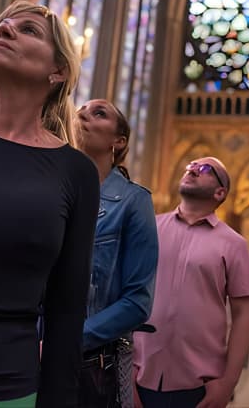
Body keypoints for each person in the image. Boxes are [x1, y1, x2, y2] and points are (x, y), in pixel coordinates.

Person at [0, 0, 99, 406]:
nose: (3, 30)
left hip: (8, 385)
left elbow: (67, 309)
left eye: (28, 30)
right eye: (3, 24)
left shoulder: (75, 172)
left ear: (59, 71)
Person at [133, 157, 249, 408]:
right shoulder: (150, 228)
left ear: (220, 192)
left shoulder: (234, 244)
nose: (193, 170)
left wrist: (227, 384)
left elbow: (242, 316)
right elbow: (127, 294)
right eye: (191, 166)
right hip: (139, 375)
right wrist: (125, 373)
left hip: (199, 384)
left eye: (205, 169)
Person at [76, 99, 158, 408]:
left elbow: (138, 302)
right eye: (80, 110)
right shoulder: (52, 190)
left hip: (92, 362)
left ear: (119, 141)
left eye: (98, 113)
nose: (83, 114)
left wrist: (68, 341)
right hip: (25, 351)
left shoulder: (133, 201)